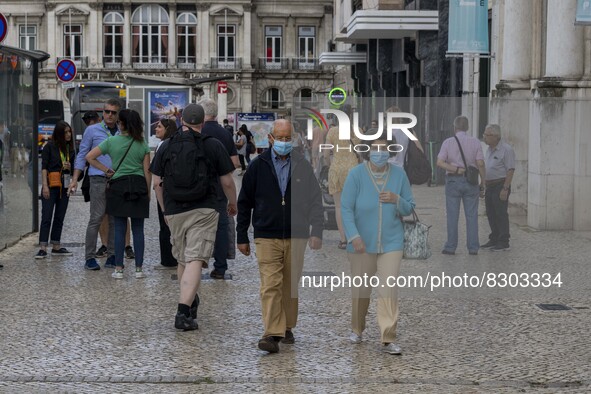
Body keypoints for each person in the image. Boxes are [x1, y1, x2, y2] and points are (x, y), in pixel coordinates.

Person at [237, 119, 324, 353]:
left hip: (296, 235)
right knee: (270, 284)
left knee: (289, 285)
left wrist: (316, 231)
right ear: (271, 139)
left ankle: (286, 325)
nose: (285, 142)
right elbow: (244, 202)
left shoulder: (302, 166)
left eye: (289, 138)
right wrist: (241, 235)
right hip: (266, 234)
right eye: (281, 138)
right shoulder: (258, 166)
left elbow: (316, 200)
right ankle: (272, 333)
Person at [151, 104, 237, 331]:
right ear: (202, 122)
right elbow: (227, 181)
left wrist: (165, 210)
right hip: (204, 209)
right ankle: (182, 312)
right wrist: (233, 203)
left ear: (181, 122)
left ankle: (190, 299)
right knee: (195, 259)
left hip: (174, 209)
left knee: (183, 260)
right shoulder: (213, 145)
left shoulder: (166, 146)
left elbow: (157, 183)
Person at [341, 132, 415, 355]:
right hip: (361, 243)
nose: (379, 152)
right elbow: (346, 208)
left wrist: (396, 199)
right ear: (368, 150)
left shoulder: (399, 175)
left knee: (388, 289)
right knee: (361, 291)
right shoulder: (355, 175)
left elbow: (409, 207)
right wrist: (354, 236)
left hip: (392, 242)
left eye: (384, 148)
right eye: (375, 148)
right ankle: (357, 328)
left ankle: (387, 336)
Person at [86, 109, 151, 279]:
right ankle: (139, 269)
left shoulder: (111, 141)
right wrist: (148, 192)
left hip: (118, 185)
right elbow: (147, 172)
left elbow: (90, 157)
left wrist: (107, 170)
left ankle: (119, 269)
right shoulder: (142, 143)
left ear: (121, 123)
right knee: (138, 229)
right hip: (138, 186)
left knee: (119, 227)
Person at [69, 98, 121, 270]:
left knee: (114, 219)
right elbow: (82, 155)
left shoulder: (122, 131)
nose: (110, 115)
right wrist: (75, 179)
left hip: (117, 180)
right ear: (103, 113)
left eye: (113, 112)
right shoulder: (92, 130)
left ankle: (112, 256)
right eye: (107, 112)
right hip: (98, 179)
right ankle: (89, 257)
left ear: (118, 114)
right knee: (96, 218)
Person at [199, 98, 239, 279]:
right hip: (220, 187)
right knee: (221, 226)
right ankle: (220, 267)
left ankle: (196, 264)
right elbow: (236, 162)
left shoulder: (196, 131)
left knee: (197, 226)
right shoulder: (225, 133)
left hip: (197, 186)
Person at [436, 116, 486, 255]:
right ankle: (473, 247)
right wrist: (483, 182)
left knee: (452, 215)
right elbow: (480, 163)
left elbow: (440, 162)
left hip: (453, 181)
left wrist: (455, 169)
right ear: (468, 127)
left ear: (454, 127)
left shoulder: (448, 142)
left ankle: (450, 247)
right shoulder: (475, 142)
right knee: (472, 215)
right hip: (471, 182)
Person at [35, 121, 76, 259]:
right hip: (51, 186)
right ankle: (43, 247)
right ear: (59, 133)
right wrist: (44, 186)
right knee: (46, 216)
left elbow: (76, 170)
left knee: (59, 217)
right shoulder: (49, 147)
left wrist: (70, 167)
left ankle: (56, 245)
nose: (68, 134)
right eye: (65, 132)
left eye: (69, 132)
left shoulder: (70, 149)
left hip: (64, 187)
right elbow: (44, 168)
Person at [323, 110, 360, 250]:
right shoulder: (356, 131)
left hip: (337, 168)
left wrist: (329, 165)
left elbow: (326, 154)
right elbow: (360, 151)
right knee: (354, 205)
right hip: (353, 169)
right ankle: (354, 237)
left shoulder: (332, 131)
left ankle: (343, 240)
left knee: (339, 206)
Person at [482, 124, 515, 252]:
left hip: (500, 184)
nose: (484, 137)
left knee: (500, 213)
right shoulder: (489, 149)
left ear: (496, 136)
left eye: (487, 135)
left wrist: (505, 188)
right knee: (490, 213)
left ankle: (503, 241)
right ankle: (494, 237)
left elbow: (510, 170)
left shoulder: (506, 150)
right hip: (490, 185)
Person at [153, 118, 178, 269]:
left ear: (167, 129)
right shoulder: (175, 143)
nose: (156, 129)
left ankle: (168, 261)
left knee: (165, 225)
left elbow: (157, 177)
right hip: (175, 189)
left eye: (159, 127)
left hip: (164, 189)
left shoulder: (162, 145)